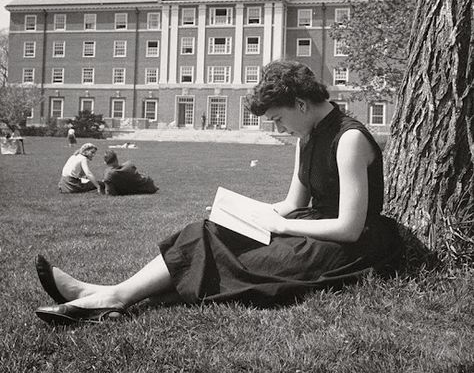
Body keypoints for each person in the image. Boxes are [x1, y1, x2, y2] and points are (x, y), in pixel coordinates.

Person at [35, 60, 402, 325]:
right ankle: (110, 294)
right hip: (312, 228)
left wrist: (285, 228)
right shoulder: (306, 138)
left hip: (348, 247)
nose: (279, 127)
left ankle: (108, 297)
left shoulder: (349, 138)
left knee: (245, 263)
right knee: (208, 231)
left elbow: (350, 227)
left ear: (302, 105)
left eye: (277, 118)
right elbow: (292, 204)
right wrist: (241, 213)